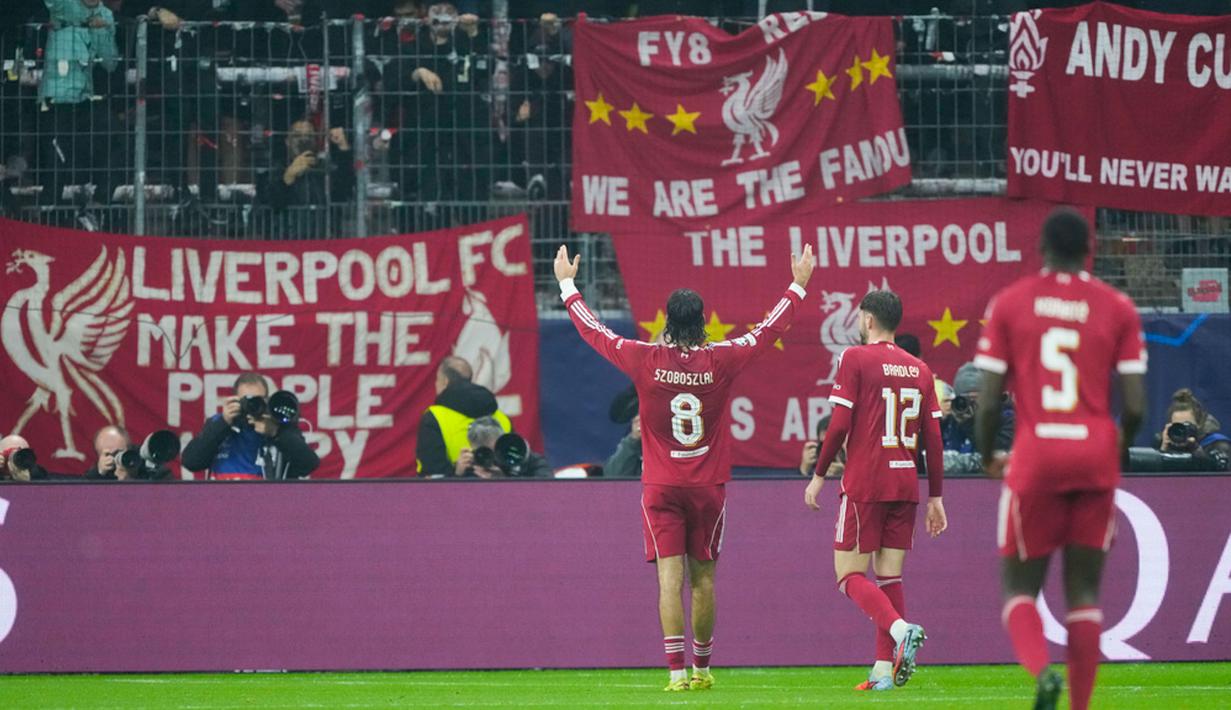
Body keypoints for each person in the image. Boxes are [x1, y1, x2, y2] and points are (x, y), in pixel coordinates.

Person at [555, 242, 814, 692]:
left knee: (668, 580)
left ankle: (674, 672)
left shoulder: (644, 360)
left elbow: (595, 332)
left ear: (668, 320)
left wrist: (566, 285)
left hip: (660, 485)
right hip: (708, 485)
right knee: (705, 578)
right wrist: (798, 284)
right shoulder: (723, 359)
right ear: (704, 320)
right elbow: (769, 330)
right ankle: (702, 670)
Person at [974, 207, 1148, 710]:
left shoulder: (1011, 303)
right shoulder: (1117, 306)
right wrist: (1113, 447)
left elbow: (987, 401)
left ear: (1041, 249)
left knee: (1019, 589)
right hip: (1094, 454)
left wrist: (989, 455)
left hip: (1037, 453)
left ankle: (1041, 673)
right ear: (1089, 250)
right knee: (1085, 594)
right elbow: (1135, 404)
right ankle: (1079, 706)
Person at [804, 290, 947, 692]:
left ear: (867, 320)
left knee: (847, 574)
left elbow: (838, 425)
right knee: (889, 576)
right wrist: (936, 496)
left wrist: (818, 474)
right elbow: (933, 440)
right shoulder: (920, 369)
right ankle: (883, 670)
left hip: (867, 480)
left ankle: (901, 631)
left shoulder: (855, 358)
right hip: (906, 482)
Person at [181, 372, 320, 480]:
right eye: (247, 401)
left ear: (267, 400)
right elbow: (191, 462)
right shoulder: (219, 424)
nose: (252, 406)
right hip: (221, 503)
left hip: (267, 506)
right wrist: (224, 423)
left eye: (258, 400)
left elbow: (309, 464)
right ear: (235, 400)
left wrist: (276, 433)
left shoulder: (278, 426)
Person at [415, 356, 512, 477]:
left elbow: (431, 474)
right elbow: (515, 465)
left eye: (437, 379)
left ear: (445, 381)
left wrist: (456, 471)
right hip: (500, 492)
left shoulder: (434, 417)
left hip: (451, 494)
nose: (435, 384)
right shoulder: (501, 417)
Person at [941, 361, 1014, 475]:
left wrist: (970, 425)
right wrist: (942, 420)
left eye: (976, 399)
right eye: (965, 400)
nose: (971, 405)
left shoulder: (1007, 418)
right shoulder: (950, 421)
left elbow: (996, 455)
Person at [1155, 388, 1230, 471]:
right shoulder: (1162, 443)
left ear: (1199, 424)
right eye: (1177, 426)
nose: (1181, 430)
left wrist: (1196, 450)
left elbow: (1222, 476)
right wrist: (1163, 451)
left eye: (1186, 425)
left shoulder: (1217, 445)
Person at [456, 416, 551, 478]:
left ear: (504, 442)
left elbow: (544, 491)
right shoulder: (469, 466)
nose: (492, 460)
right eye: (485, 454)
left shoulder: (525, 460)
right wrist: (456, 475)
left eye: (496, 451)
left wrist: (504, 481)